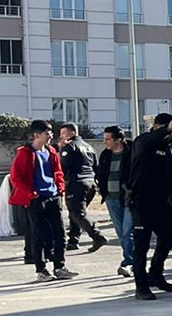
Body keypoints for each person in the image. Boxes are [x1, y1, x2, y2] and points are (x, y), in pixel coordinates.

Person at [128, 113, 172, 300]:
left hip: (161, 203)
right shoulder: (142, 142)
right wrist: (167, 129)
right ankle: (141, 286)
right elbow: (149, 141)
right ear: (157, 127)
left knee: (168, 238)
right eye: (170, 129)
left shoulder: (165, 149)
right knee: (142, 245)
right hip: (141, 203)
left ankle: (155, 273)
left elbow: (169, 174)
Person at [9, 120, 78, 282]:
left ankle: (60, 266)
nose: (51, 136)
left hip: (53, 196)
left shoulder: (52, 151)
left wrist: (59, 188)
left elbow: (58, 172)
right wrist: (31, 193)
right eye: (47, 133)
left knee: (59, 233)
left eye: (51, 133)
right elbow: (16, 177)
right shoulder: (25, 153)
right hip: (36, 199)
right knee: (38, 234)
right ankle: (41, 269)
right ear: (36, 135)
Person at [58, 122, 108, 253]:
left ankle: (97, 236)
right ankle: (73, 240)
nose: (61, 137)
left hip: (76, 183)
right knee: (75, 212)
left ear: (72, 133)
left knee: (77, 213)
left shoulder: (70, 147)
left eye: (63, 133)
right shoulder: (89, 147)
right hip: (90, 183)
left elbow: (62, 167)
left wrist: (61, 150)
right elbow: (96, 167)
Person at [96, 125, 134, 278]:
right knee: (121, 233)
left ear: (119, 139)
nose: (105, 142)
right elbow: (101, 173)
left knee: (127, 231)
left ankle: (129, 262)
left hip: (129, 198)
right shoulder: (105, 154)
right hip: (111, 198)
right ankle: (130, 260)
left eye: (108, 139)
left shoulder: (131, 152)